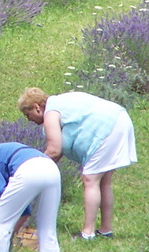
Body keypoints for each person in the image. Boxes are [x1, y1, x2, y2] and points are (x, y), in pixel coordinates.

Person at [18, 88, 137, 240]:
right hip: (119, 119)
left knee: (90, 179)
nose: (28, 119)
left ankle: (88, 233)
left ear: (37, 107)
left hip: (106, 128)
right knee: (104, 181)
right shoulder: (60, 102)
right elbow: (59, 149)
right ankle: (105, 230)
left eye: (27, 114)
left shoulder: (51, 112)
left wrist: (32, 170)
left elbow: (54, 150)